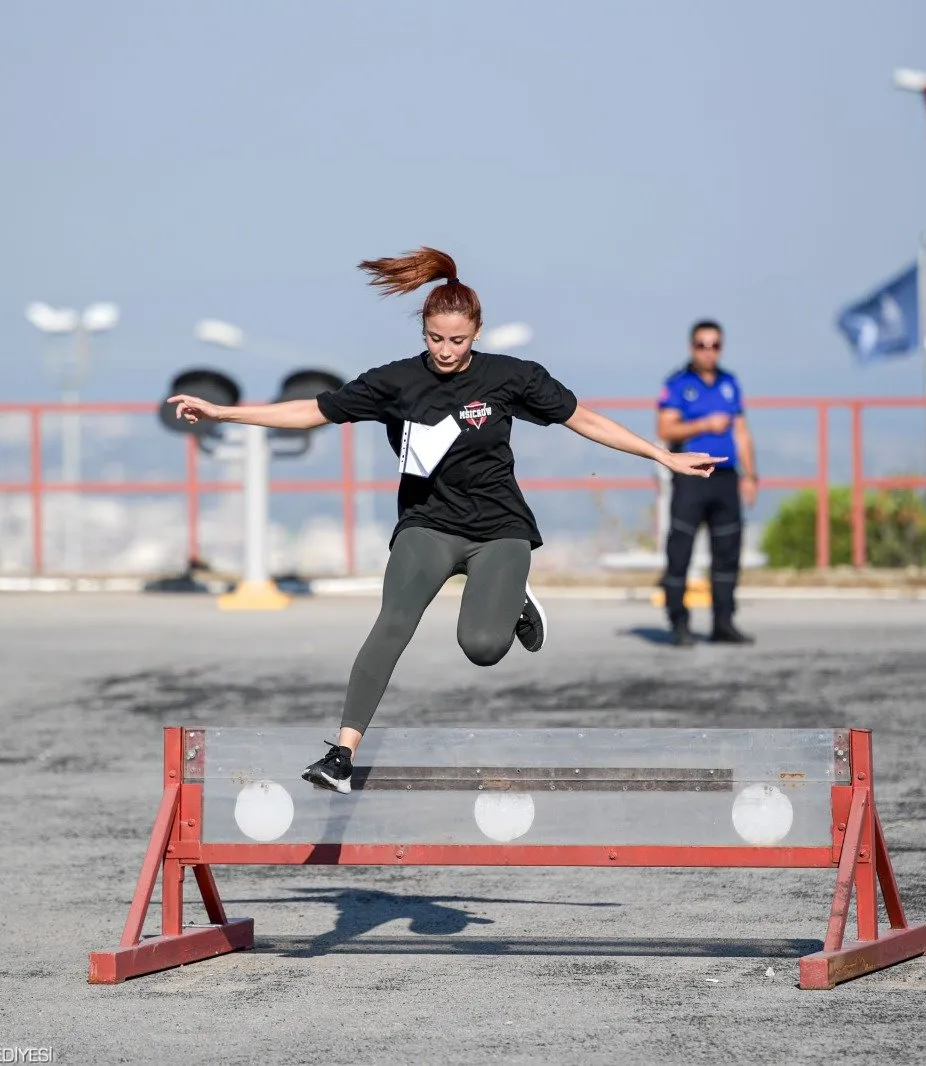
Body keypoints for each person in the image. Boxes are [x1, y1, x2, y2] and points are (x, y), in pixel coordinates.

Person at [168, 247, 723, 793]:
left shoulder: (513, 377)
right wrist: (223, 413)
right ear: (423, 332)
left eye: (457, 340)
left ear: (477, 332)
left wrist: (663, 455)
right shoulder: (396, 382)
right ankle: (341, 754)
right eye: (435, 338)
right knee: (392, 625)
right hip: (427, 525)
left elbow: (587, 421)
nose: (446, 350)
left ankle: (512, 599)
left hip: (499, 529)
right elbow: (312, 410)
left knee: (482, 647)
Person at [655, 320, 758, 647]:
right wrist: (703, 424)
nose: (708, 351)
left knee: (727, 551)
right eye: (702, 345)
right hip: (692, 477)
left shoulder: (730, 383)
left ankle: (724, 621)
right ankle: (678, 621)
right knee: (680, 551)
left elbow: (741, 432)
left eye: (714, 345)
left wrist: (751, 475)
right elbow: (665, 429)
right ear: (692, 347)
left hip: (727, 479)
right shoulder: (678, 384)